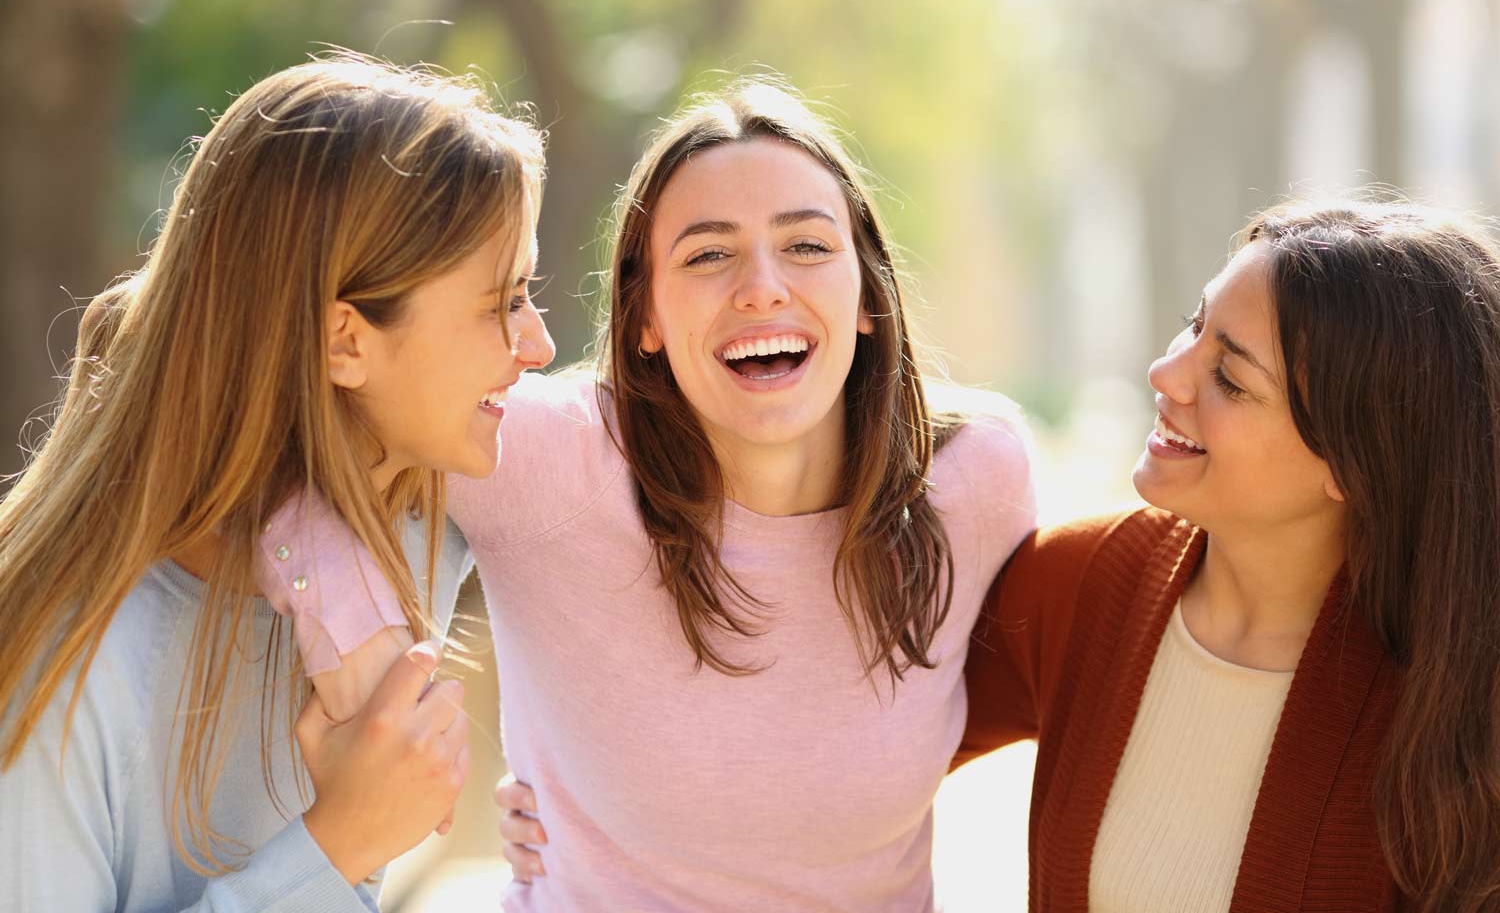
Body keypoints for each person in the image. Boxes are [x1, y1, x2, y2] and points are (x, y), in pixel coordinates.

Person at [257, 79, 1037, 911]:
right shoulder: (545, 459)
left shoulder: (971, 480)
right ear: (645, 319)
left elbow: (974, 702)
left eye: (807, 246)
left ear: (869, 297)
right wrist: (367, 665)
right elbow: (300, 449)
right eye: (707, 254)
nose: (763, 287)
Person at [0, 55, 551, 910]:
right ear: (344, 342)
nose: (539, 347)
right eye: (502, 304)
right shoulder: (59, 669)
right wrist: (337, 845)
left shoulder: (423, 518)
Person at [955, 200, 1500, 911]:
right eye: (1194, 326)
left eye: (1231, 379)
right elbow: (848, 753)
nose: (1166, 373)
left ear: (1358, 464)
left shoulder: (1458, 695)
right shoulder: (1079, 583)